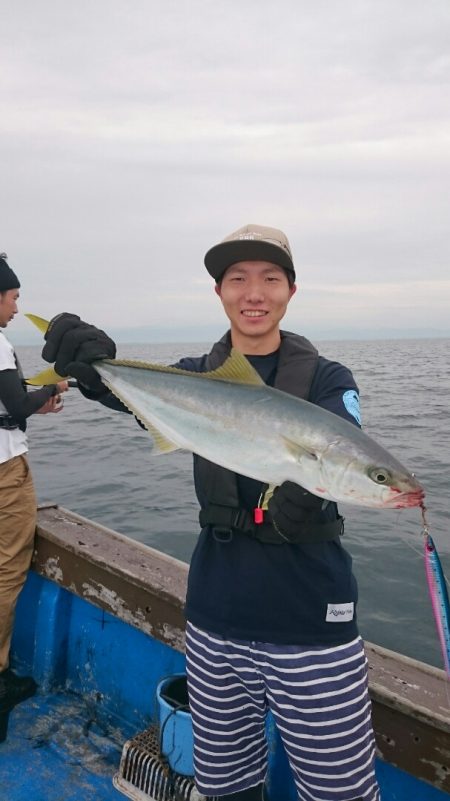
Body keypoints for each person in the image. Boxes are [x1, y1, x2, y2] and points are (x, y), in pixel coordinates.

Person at [39, 225, 380, 801]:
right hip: (215, 615)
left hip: (313, 622)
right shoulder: (192, 375)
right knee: (224, 785)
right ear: (219, 292)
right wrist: (97, 374)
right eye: (237, 278)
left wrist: (309, 492)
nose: (254, 292)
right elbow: (140, 403)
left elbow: (343, 447)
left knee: (340, 791)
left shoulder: (329, 380)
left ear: (291, 291)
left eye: (271, 278)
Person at [0, 253, 68, 732]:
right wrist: (55, 386)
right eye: (13, 297)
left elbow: (8, 404)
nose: (16, 308)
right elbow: (18, 401)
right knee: (7, 570)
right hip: (5, 472)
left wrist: (31, 404)